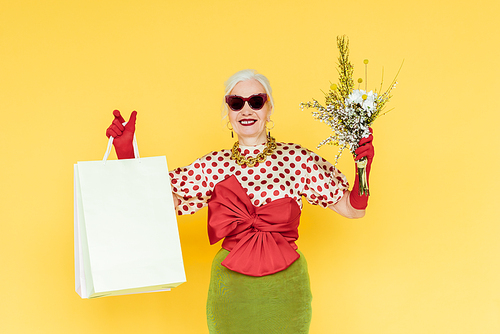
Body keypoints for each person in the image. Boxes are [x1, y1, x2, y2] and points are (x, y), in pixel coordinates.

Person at [106, 69, 374, 334]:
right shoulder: (213, 165)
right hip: (230, 290)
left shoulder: (297, 159)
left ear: (269, 109)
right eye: (236, 103)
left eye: (256, 101)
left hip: (287, 287)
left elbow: (352, 210)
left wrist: (363, 168)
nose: (246, 110)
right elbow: (159, 204)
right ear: (228, 113)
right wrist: (127, 153)